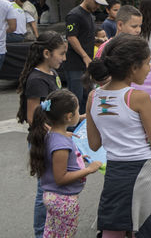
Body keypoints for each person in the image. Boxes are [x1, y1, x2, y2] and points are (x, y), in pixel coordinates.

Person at [86, 35, 151, 237]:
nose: (149, 69)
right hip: (144, 174)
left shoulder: (93, 97)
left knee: (116, 228)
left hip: (115, 175)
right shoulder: (138, 98)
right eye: (147, 64)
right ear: (133, 67)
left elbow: (94, 144)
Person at [28, 89, 102, 238]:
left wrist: (79, 157)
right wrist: (89, 170)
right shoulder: (60, 144)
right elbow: (61, 178)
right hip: (63, 201)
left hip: (54, 198)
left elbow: (62, 161)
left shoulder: (52, 135)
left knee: (51, 234)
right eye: (77, 110)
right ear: (69, 117)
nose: (78, 112)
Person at [16, 32, 67, 237]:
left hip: (52, 137)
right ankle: (40, 232)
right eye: (61, 53)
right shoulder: (36, 79)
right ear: (46, 53)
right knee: (44, 191)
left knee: (51, 189)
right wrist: (56, 133)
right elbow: (32, 117)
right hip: (42, 141)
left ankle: (50, 229)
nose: (64, 58)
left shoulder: (52, 73)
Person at [64, 0, 107, 113]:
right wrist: (84, 56)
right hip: (75, 64)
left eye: (100, 4)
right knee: (75, 99)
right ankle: (72, 128)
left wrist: (97, 40)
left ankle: (83, 124)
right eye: (96, 2)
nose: (97, 6)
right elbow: (71, 37)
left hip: (86, 64)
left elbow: (82, 35)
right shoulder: (74, 15)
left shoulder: (89, 15)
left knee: (87, 97)